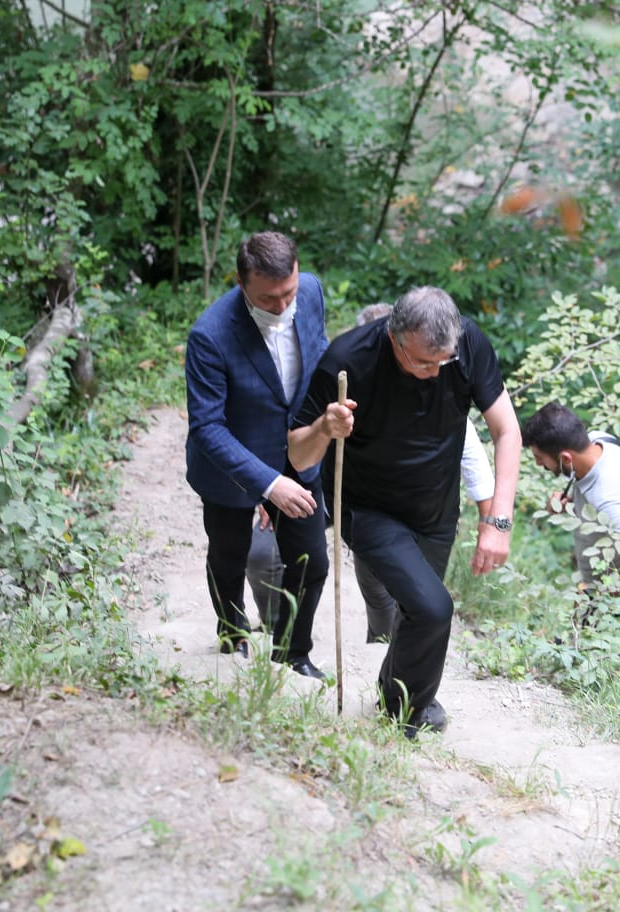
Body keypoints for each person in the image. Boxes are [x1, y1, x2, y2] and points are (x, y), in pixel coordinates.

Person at [289, 286, 520, 737]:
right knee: (434, 608)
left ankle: (395, 699)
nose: (434, 374)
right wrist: (324, 427)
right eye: (422, 363)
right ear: (394, 338)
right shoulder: (349, 359)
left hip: (436, 508)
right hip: (370, 508)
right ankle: (409, 719)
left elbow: (507, 431)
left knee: (416, 612)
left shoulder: (468, 344)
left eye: (442, 363)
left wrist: (497, 520)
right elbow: (298, 455)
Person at [249, 302, 497, 644]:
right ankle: (279, 628)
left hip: (385, 503)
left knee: (383, 582)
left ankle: (381, 643)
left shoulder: (438, 401)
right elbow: (296, 441)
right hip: (318, 485)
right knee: (262, 551)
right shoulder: (342, 372)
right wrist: (279, 486)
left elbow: (475, 463)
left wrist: (493, 522)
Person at [184, 231, 329, 678]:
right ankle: (232, 629)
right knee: (229, 555)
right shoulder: (209, 335)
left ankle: (292, 650)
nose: (284, 305)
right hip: (231, 464)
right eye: (269, 299)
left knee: (313, 562)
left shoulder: (310, 291)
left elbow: (319, 352)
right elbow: (207, 426)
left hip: (298, 452)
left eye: (288, 293)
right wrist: (267, 484)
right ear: (242, 283)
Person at [521, 401, 620, 586]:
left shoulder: (606, 500)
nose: (538, 464)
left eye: (539, 458)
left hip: (613, 597)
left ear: (565, 458)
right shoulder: (599, 440)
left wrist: (606, 596)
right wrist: (570, 504)